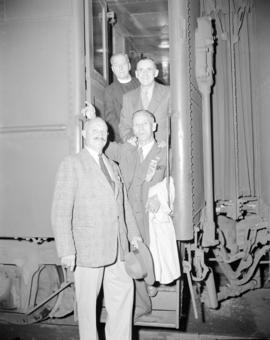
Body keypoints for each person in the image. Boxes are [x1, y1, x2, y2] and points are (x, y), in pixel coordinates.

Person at [51, 117, 142, 340]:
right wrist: (66, 250)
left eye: (104, 131)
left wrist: (134, 235)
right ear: (84, 134)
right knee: (87, 307)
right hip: (87, 248)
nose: (100, 134)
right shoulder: (72, 163)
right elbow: (60, 210)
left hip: (118, 248)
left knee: (122, 299)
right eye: (95, 130)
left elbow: (124, 205)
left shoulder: (113, 166)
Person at [105, 109, 168, 319]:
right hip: (128, 214)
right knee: (133, 259)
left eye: (145, 124)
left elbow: (172, 179)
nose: (140, 128)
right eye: (137, 124)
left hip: (150, 218)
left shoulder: (164, 151)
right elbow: (102, 144)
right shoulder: (127, 149)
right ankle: (142, 303)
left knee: (146, 259)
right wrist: (88, 119)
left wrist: (161, 195)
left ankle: (150, 283)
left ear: (154, 126)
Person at [119, 57, 170, 143]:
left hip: (162, 150)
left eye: (149, 69)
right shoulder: (128, 98)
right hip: (137, 151)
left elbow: (177, 123)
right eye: (141, 70)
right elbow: (124, 126)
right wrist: (130, 139)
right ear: (136, 74)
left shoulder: (168, 93)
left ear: (156, 73)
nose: (145, 73)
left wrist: (168, 143)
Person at [103, 53, 139, 142]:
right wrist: (126, 136)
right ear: (113, 69)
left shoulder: (141, 83)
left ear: (129, 66)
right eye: (116, 65)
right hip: (123, 139)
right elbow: (111, 118)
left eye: (123, 64)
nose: (121, 68)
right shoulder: (109, 91)